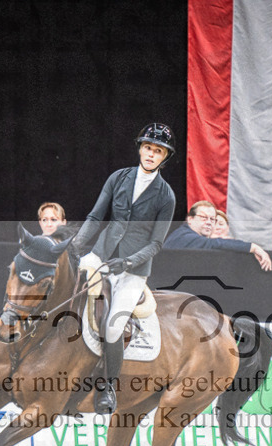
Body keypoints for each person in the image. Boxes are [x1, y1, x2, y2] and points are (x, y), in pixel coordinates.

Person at [73, 122, 178, 414]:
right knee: (67, 292)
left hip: (133, 269)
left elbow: (157, 243)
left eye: (158, 151)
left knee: (113, 324)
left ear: (164, 157)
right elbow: (95, 216)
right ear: (140, 148)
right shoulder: (118, 178)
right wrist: (77, 247)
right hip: (101, 254)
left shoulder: (166, 196)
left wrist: (128, 262)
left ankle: (107, 388)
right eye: (147, 147)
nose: (151, 154)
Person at [163, 201, 272, 270]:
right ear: (190, 219)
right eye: (203, 217)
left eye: (212, 219)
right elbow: (214, 243)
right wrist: (254, 247)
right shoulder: (184, 236)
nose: (209, 222)